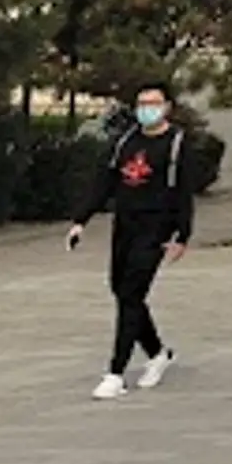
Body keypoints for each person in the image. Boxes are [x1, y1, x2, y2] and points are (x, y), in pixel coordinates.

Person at [67, 86, 194, 398]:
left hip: (157, 229)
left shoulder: (177, 143)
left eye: (153, 104)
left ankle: (115, 373)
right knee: (123, 292)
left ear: (167, 107)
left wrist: (182, 235)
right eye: (141, 104)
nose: (146, 109)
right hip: (125, 225)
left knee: (131, 293)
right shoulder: (125, 141)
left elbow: (184, 193)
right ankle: (157, 353)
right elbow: (105, 182)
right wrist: (80, 221)